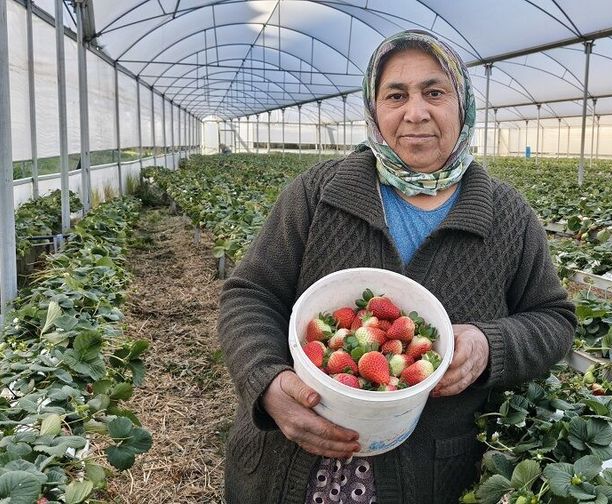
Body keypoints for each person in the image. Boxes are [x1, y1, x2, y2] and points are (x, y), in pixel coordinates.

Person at [217, 30, 576, 504]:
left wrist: (489, 345)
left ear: (463, 105)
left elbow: (554, 319)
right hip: (288, 464)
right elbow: (250, 294)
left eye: (434, 92)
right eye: (396, 95)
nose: (415, 112)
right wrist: (266, 380)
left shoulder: (507, 216)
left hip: (430, 475)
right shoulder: (318, 193)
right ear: (374, 107)